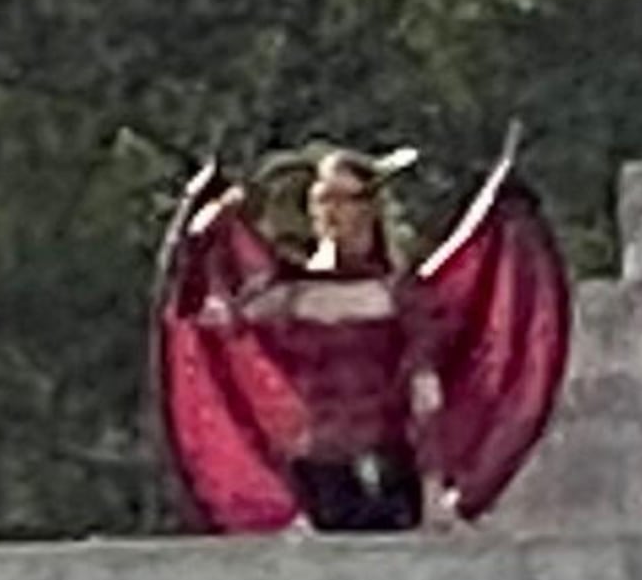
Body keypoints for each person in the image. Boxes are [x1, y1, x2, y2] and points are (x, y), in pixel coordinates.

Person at [193, 151, 452, 533]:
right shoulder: (288, 291)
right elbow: (215, 314)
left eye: (345, 199)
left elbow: (425, 393)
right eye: (322, 198)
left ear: (370, 208)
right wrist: (214, 222)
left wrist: (434, 486)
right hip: (315, 461)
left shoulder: (399, 294)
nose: (331, 210)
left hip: (388, 458)